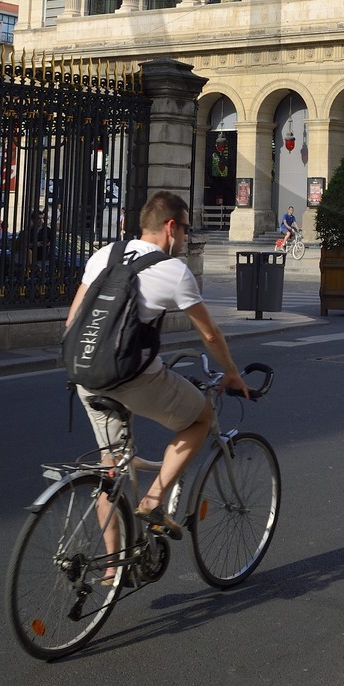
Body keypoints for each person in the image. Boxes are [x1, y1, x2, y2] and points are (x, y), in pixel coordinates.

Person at [64, 191, 250, 538]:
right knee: (202, 417)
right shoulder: (172, 270)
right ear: (170, 227)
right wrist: (232, 371)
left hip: (86, 374)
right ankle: (153, 499)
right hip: (134, 379)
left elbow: (72, 321)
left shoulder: (104, 254)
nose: (184, 239)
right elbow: (209, 335)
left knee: (112, 470)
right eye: (185, 230)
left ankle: (112, 572)